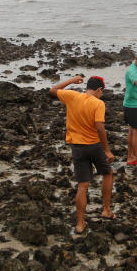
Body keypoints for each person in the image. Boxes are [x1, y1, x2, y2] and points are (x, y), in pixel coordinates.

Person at [49, 75, 115, 233]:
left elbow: (53, 90)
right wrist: (107, 150)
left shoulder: (72, 96)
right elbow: (100, 127)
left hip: (77, 147)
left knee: (83, 185)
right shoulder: (98, 103)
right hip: (94, 146)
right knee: (107, 172)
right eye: (102, 92)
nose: (101, 95)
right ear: (99, 90)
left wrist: (72, 80)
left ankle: (80, 224)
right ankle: (106, 210)